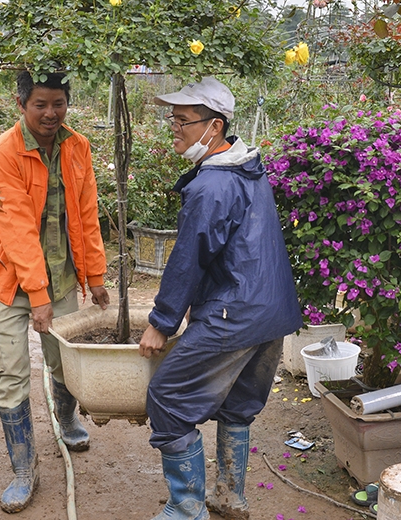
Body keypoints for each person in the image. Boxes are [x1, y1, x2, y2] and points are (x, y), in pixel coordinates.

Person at [139, 76, 301, 520]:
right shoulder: (246, 167)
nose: (174, 127)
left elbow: (189, 258)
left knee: (169, 397)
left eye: (184, 121)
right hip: (272, 311)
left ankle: (187, 509)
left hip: (237, 312)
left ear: (215, 126)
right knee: (236, 404)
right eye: (172, 118)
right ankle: (230, 497)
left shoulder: (213, 186)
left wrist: (162, 322)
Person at [0, 70, 111, 513]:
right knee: (11, 374)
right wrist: (37, 297)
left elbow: (86, 213)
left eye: (59, 103)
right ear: (22, 105)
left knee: (63, 362)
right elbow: (14, 228)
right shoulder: (2, 154)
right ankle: (23, 468)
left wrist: (95, 276)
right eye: (41, 105)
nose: (51, 113)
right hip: (8, 283)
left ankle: (67, 420)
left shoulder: (77, 147)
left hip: (61, 277)